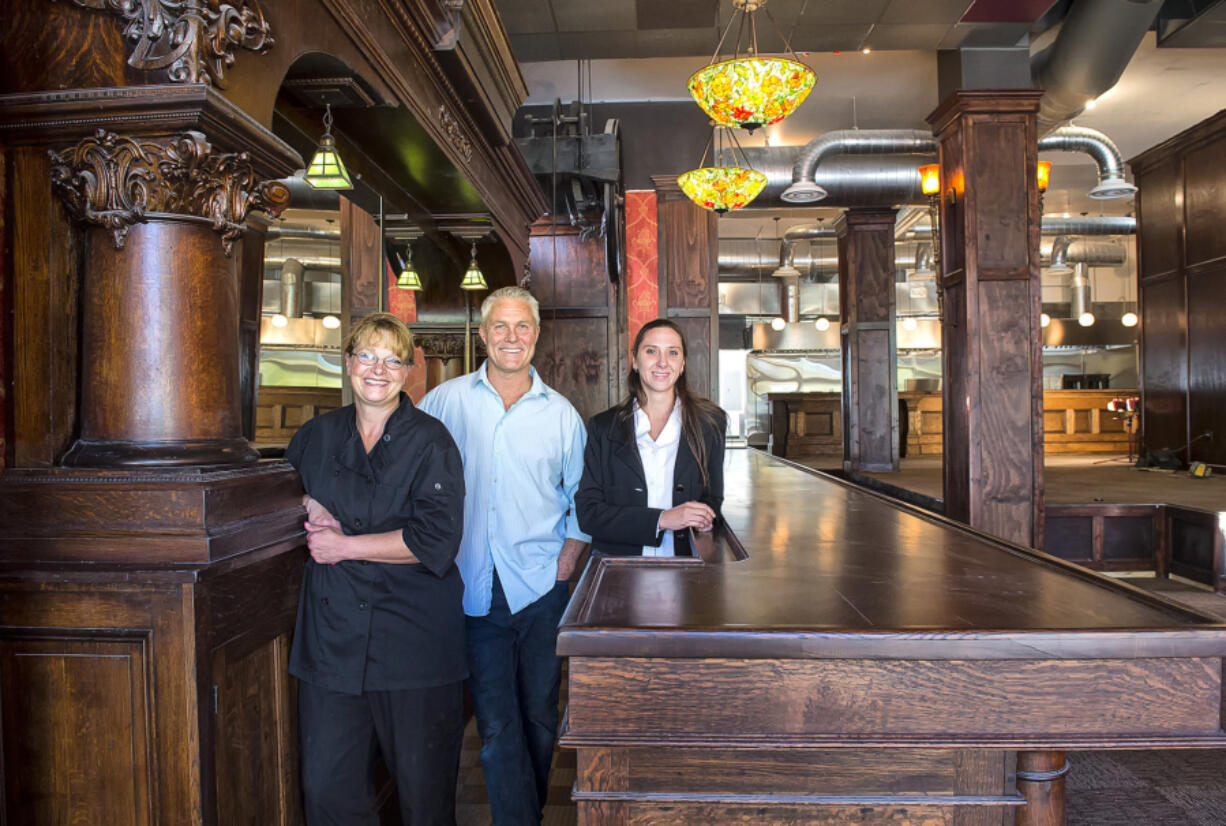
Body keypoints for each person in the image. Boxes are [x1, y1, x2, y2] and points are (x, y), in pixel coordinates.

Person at [418, 285, 588, 826]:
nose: (511, 338)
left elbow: (582, 498)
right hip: (471, 590)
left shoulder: (561, 415)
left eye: (522, 327)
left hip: (540, 587)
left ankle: (525, 813)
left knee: (539, 716)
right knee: (494, 724)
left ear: (535, 336)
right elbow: (407, 464)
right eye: (500, 327)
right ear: (483, 333)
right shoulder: (446, 400)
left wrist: (566, 560)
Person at [288, 312, 466, 826]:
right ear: (348, 363)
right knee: (327, 792)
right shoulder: (315, 436)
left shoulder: (433, 441)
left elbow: (436, 540)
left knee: (424, 798)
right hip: (332, 645)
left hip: (413, 644)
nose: (378, 369)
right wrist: (303, 500)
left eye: (392, 360)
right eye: (367, 355)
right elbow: (271, 491)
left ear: (409, 371)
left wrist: (345, 547)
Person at [576, 318, 727, 557]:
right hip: (618, 569)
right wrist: (662, 519)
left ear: (683, 363)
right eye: (651, 351)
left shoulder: (710, 423)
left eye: (673, 353)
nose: (662, 362)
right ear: (635, 361)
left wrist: (706, 517)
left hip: (687, 569)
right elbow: (588, 514)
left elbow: (712, 497)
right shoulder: (604, 427)